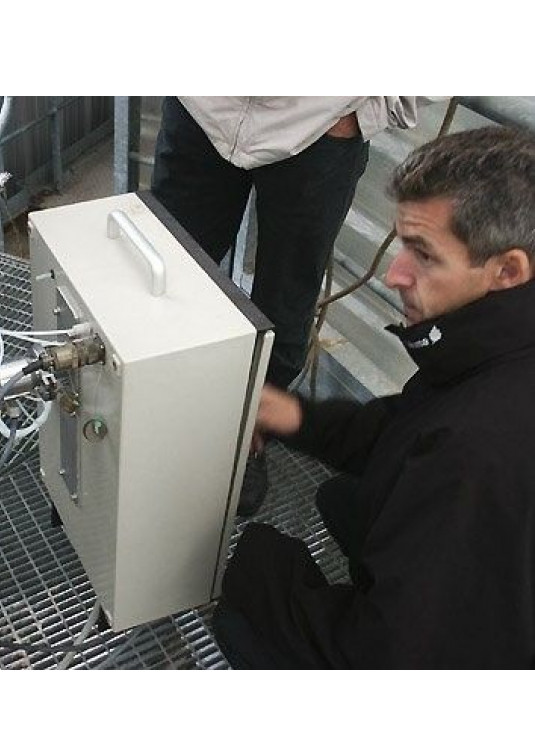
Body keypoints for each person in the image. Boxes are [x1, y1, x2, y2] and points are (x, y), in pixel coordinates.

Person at [213, 125, 535, 669]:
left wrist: (245, 567)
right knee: (344, 500)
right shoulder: (493, 347)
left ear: (507, 270)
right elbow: (412, 428)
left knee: (256, 571)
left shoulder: (476, 450)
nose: (393, 274)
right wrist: (295, 417)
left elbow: (389, 659)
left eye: (423, 254)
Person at [151, 96, 440, 516]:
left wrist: (369, 111)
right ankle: (149, 411)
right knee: (162, 276)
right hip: (204, 107)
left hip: (318, 128)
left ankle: (248, 437)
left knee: (284, 305)